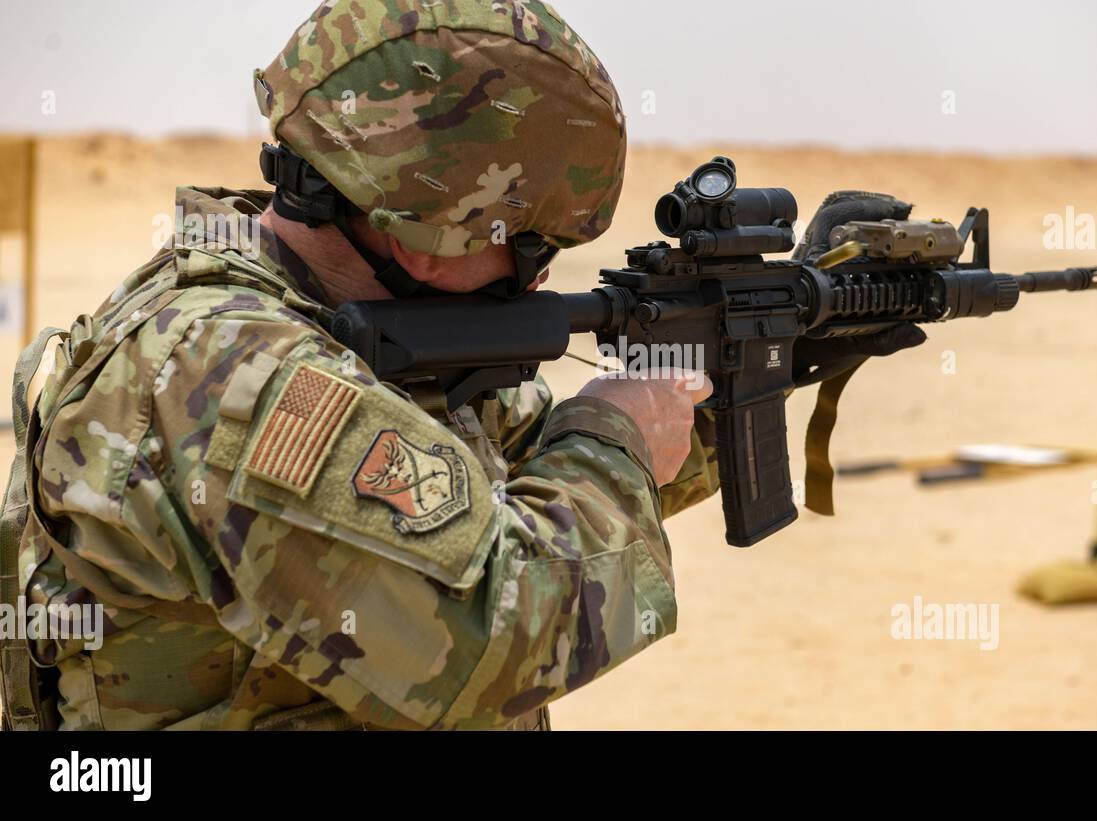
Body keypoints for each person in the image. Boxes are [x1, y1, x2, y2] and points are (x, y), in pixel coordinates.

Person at [0, 0, 922, 731]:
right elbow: (496, 633)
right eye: (530, 243)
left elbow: (519, 479)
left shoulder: (326, 322)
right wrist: (618, 434)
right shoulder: (243, 380)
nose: (545, 269)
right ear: (435, 236)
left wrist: (776, 354)